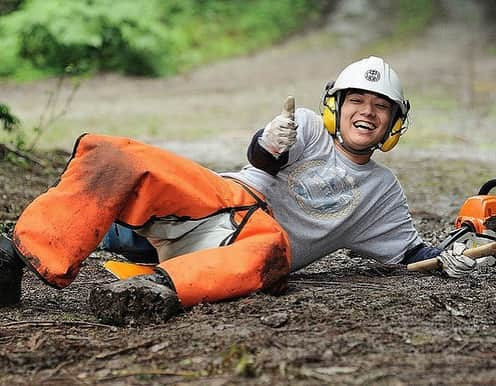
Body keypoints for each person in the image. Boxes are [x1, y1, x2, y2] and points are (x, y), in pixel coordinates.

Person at [0, 56, 480, 325]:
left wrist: (452, 258)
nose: (367, 112)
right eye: (356, 100)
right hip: (217, 199)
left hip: (241, 250)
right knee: (114, 156)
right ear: (336, 107)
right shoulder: (309, 128)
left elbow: (411, 253)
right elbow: (262, 159)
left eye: (381, 107)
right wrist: (269, 139)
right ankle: (14, 255)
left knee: (273, 251)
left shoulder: (383, 192)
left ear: (394, 124)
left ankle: (154, 292)